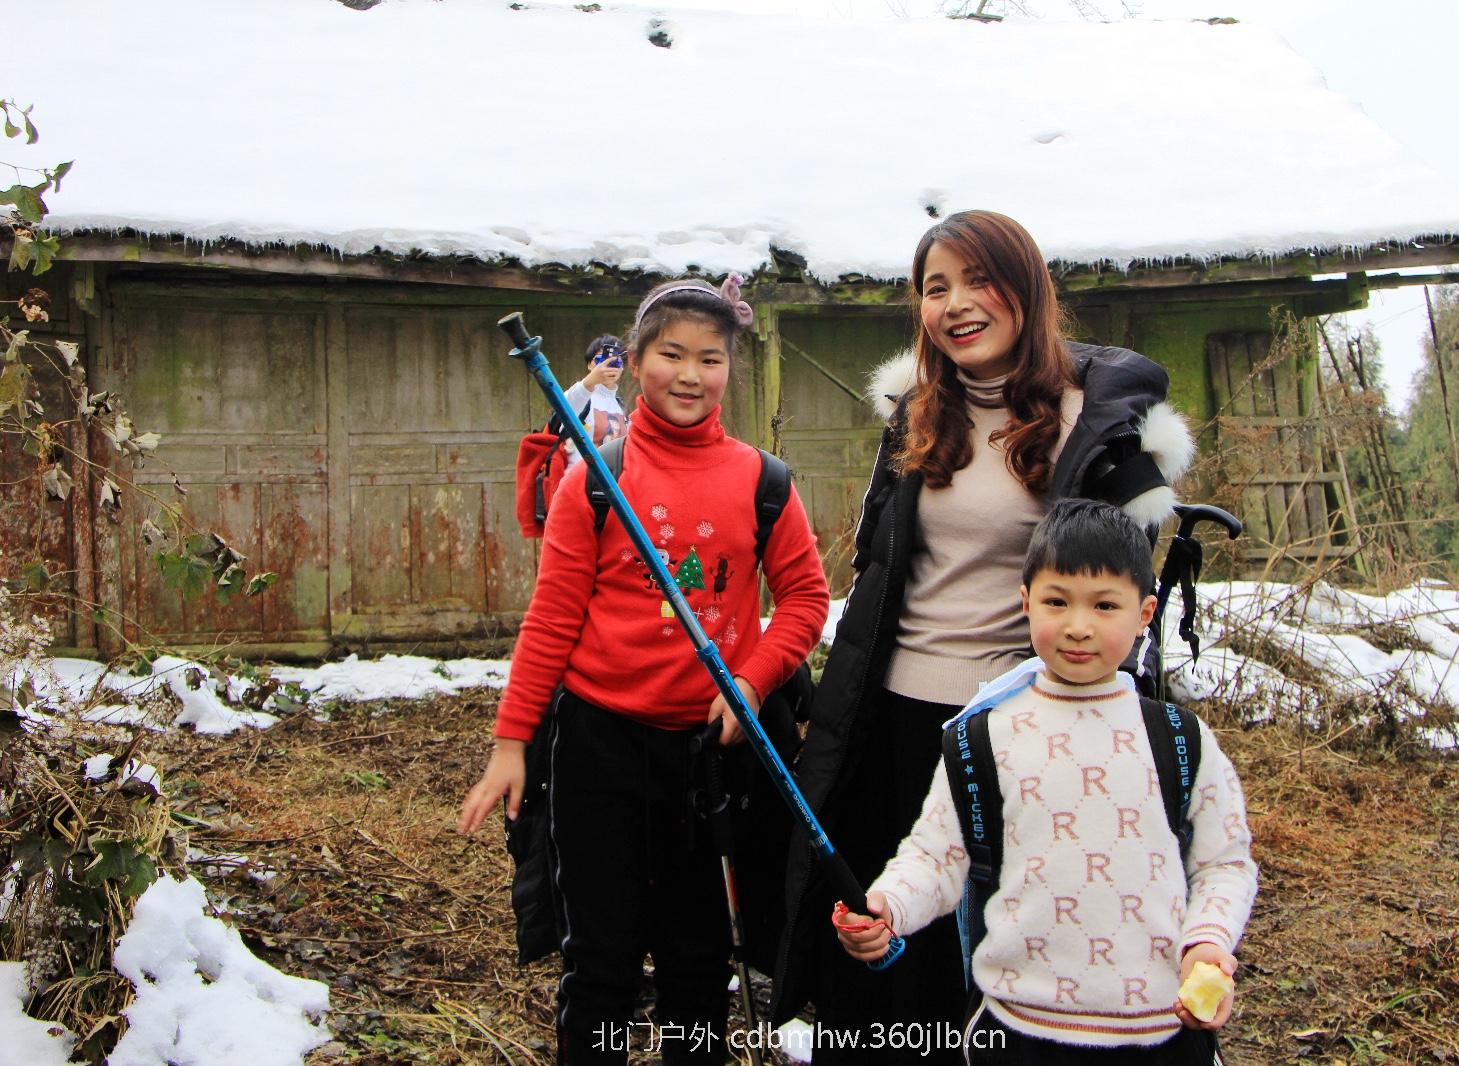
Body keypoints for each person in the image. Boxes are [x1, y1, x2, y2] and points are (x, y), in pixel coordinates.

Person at [771, 210, 1198, 1060]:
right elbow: (881, 573)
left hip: (1015, 729)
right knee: (889, 952)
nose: (956, 304)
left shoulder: (1097, 428)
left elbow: (1117, 601)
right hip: (893, 721)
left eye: (978, 280)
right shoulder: (918, 415)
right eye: (936, 289)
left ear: (1026, 289)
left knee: (1001, 941)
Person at [459, 277, 831, 1065]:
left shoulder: (764, 481)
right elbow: (552, 620)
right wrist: (511, 742)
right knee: (602, 959)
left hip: (712, 758)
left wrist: (753, 680)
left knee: (700, 959)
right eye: (671, 354)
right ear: (633, 361)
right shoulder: (595, 479)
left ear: (730, 368)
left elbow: (804, 598)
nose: (690, 375)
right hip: (600, 749)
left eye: (710, 359)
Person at [834, 498, 1257, 1064]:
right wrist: (888, 906)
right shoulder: (982, 738)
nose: (1078, 627)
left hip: (1163, 1033)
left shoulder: (1180, 740)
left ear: (1145, 613)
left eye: (1105, 605)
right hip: (1017, 1033)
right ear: (1026, 602)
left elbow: (1224, 862)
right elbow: (935, 857)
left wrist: (1207, 942)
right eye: (1057, 602)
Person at [564, 333, 631, 452]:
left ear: (622, 368)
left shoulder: (622, 406)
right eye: (601, 360)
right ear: (589, 364)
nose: (608, 367)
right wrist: (591, 380)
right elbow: (563, 407)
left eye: (615, 362)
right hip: (580, 464)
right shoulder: (580, 395)